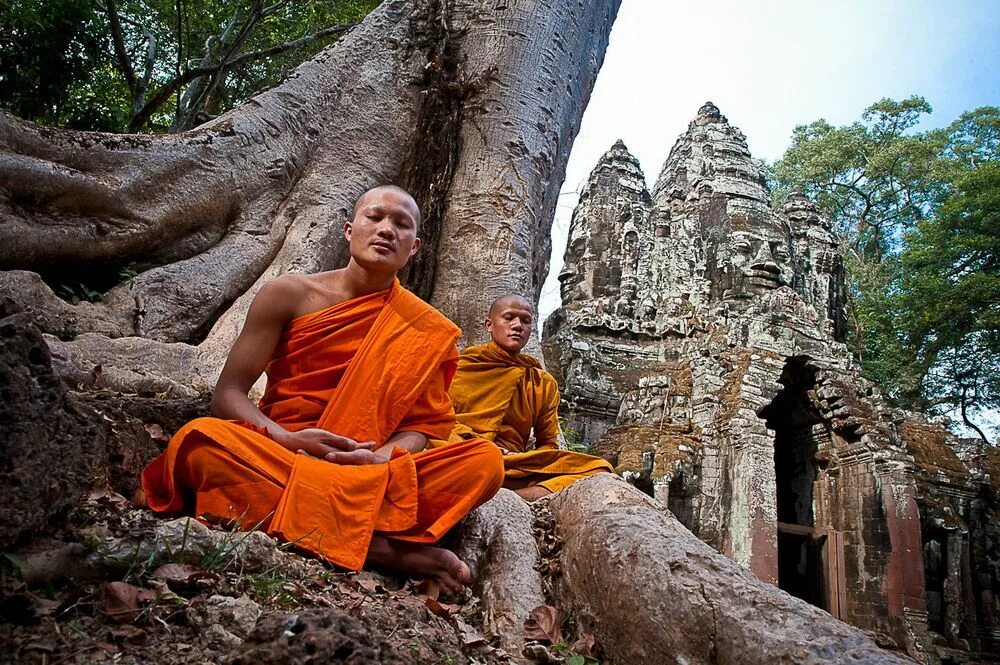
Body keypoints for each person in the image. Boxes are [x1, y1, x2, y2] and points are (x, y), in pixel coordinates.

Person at [141, 185, 504, 595]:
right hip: (281, 452)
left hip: (366, 472)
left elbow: (421, 426)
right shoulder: (289, 294)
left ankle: (322, 526)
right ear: (349, 230)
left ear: (414, 247)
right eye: (375, 217)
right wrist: (287, 437)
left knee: (485, 461)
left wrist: (379, 458)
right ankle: (380, 549)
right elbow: (228, 395)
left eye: (402, 225)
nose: (387, 229)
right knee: (202, 441)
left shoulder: (425, 328)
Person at [447, 295, 612, 501]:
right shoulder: (460, 369)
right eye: (509, 318)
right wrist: (475, 444)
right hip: (463, 455)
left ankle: (515, 497)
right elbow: (437, 421)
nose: (517, 326)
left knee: (598, 468)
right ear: (489, 325)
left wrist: (518, 457)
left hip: (511, 465)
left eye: (525, 321)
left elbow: (548, 443)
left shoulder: (541, 381)